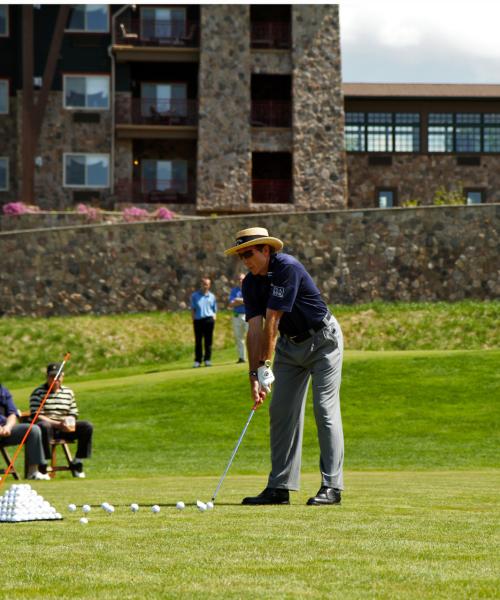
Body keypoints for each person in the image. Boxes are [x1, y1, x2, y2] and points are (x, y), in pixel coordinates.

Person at [224, 227, 344, 506]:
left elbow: (272, 321)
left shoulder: (286, 268)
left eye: (249, 253)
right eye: (241, 255)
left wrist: (265, 365)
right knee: (281, 412)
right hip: (290, 348)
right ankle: (279, 487)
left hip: (323, 341)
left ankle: (332, 487)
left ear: (266, 250)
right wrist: (254, 375)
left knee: (324, 410)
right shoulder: (250, 283)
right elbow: (254, 330)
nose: (245, 260)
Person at [29, 363, 93, 478]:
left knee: (87, 426)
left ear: (62, 377)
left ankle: (78, 462)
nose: (55, 379)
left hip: (64, 427)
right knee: (43, 426)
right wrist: (57, 424)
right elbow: (36, 415)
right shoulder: (38, 392)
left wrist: (70, 421)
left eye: (58, 376)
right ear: (47, 377)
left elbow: (73, 412)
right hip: (48, 428)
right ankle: (43, 465)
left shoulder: (68, 392)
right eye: (52, 376)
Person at [0, 383, 50, 480]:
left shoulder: (3, 390)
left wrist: (8, 427)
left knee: (33, 430)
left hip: (5, 429)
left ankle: (33, 472)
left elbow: (12, 413)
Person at [191, 276, 217, 367]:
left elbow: (214, 309)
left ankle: (207, 360)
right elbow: (193, 309)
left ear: (209, 285)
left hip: (209, 320)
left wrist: (214, 318)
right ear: (201, 285)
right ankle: (198, 361)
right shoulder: (195, 296)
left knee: (208, 341)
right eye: (203, 284)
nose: (205, 286)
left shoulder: (212, 296)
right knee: (198, 341)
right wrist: (193, 320)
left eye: (207, 284)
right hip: (198, 320)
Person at [228, 273, 249, 363]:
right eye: (239, 279)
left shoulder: (250, 288)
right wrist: (244, 301)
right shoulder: (234, 291)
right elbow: (231, 304)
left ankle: (255, 356)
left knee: (252, 337)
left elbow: (250, 301)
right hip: (237, 316)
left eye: (242, 279)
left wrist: (238, 300)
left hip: (248, 315)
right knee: (239, 338)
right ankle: (242, 358)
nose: (240, 281)